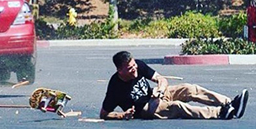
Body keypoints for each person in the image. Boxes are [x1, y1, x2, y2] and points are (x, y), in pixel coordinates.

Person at [100, 51, 248, 120]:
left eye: (134, 65)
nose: (135, 69)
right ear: (120, 70)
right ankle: (220, 113)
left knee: (189, 88)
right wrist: (121, 115)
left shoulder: (139, 65)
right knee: (178, 106)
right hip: (146, 109)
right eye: (130, 68)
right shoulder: (115, 86)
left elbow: (161, 79)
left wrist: (160, 89)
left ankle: (230, 103)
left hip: (156, 95)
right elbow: (104, 114)